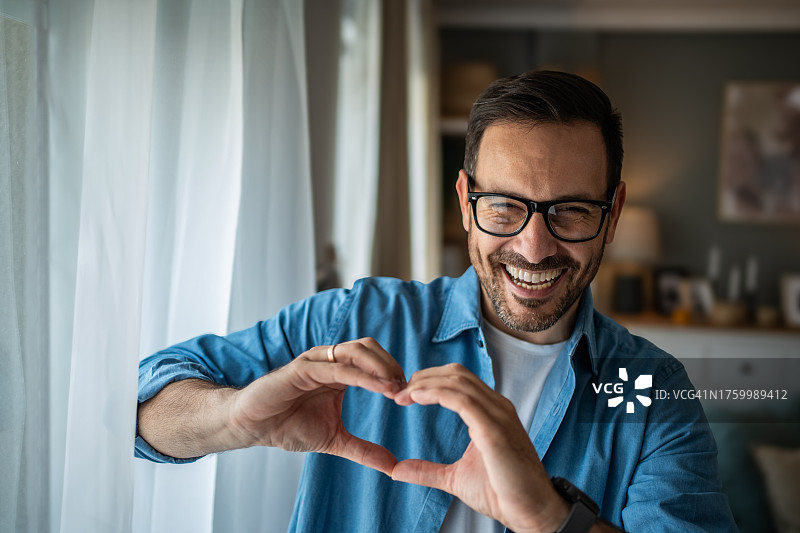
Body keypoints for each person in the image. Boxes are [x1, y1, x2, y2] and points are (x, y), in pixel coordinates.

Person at [136, 70, 737, 532]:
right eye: (504, 206)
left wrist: (551, 519)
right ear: (464, 202)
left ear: (613, 215)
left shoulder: (653, 390)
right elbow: (143, 408)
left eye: (572, 211)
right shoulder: (355, 319)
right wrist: (235, 417)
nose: (534, 247)